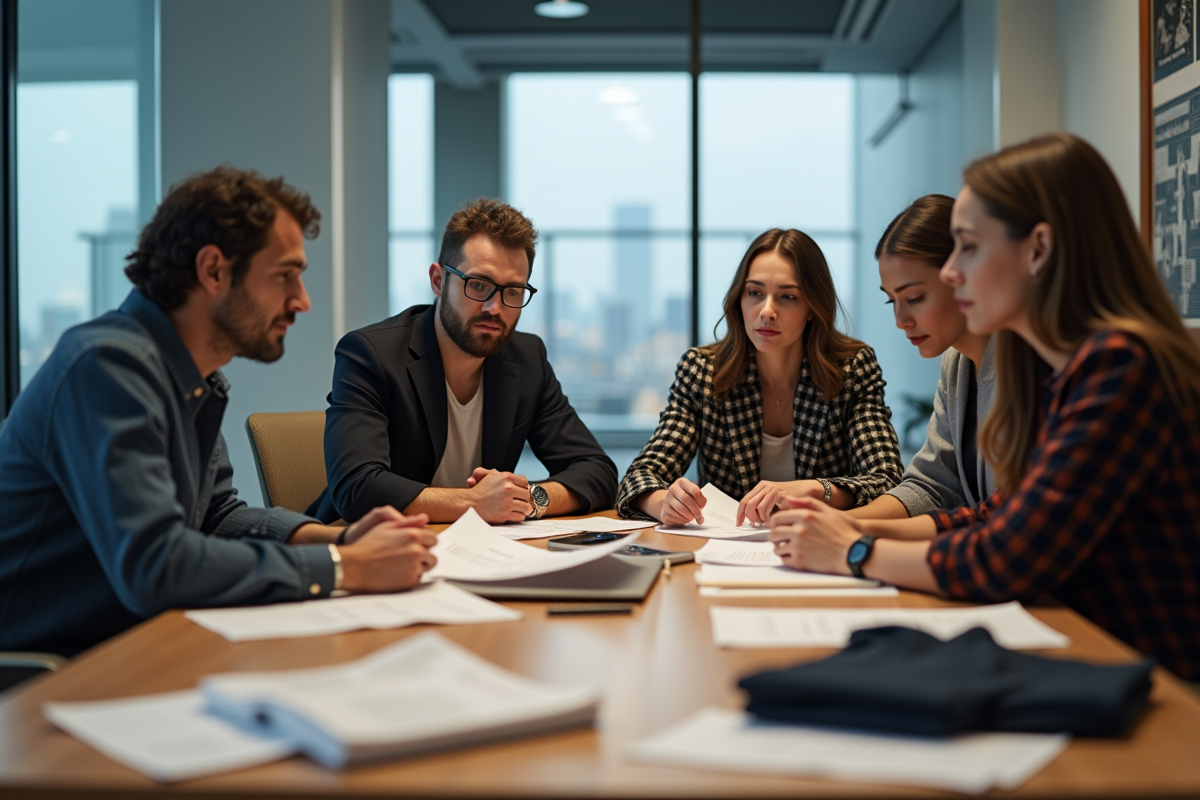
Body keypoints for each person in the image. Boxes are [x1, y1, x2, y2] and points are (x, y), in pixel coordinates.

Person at [769, 134, 1200, 679]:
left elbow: (1009, 554)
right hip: (1093, 656)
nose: (953, 272)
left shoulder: (1118, 366)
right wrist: (851, 532)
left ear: (1037, 250)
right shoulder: (1078, 364)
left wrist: (854, 553)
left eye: (968, 248)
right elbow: (1000, 513)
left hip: (1152, 681)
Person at [0, 167, 437, 657]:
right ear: (213, 270)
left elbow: (216, 515)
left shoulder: (190, 376)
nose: (302, 301)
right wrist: (344, 567)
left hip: (130, 643)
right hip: (45, 670)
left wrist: (340, 540)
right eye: (285, 275)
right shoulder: (107, 366)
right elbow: (155, 566)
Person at [308, 198, 617, 525]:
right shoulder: (371, 354)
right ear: (438, 281)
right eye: (479, 285)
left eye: (513, 291)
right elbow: (357, 488)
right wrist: (474, 502)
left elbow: (597, 471)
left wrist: (529, 499)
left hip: (478, 547)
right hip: (366, 542)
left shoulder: (527, 358)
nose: (495, 308)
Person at [616, 228, 903, 526]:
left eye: (788, 297)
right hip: (725, 546)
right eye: (754, 293)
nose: (767, 311)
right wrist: (664, 502)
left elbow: (888, 480)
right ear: (739, 299)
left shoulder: (851, 370)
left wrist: (816, 489)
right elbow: (638, 478)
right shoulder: (702, 372)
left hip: (819, 542)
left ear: (812, 308)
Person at [851, 195, 995, 524]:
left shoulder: (1023, 365)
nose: (900, 320)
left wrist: (855, 534)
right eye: (891, 301)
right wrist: (847, 522)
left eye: (914, 298)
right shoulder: (956, 363)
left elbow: (1005, 517)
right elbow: (931, 484)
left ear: (962, 277)